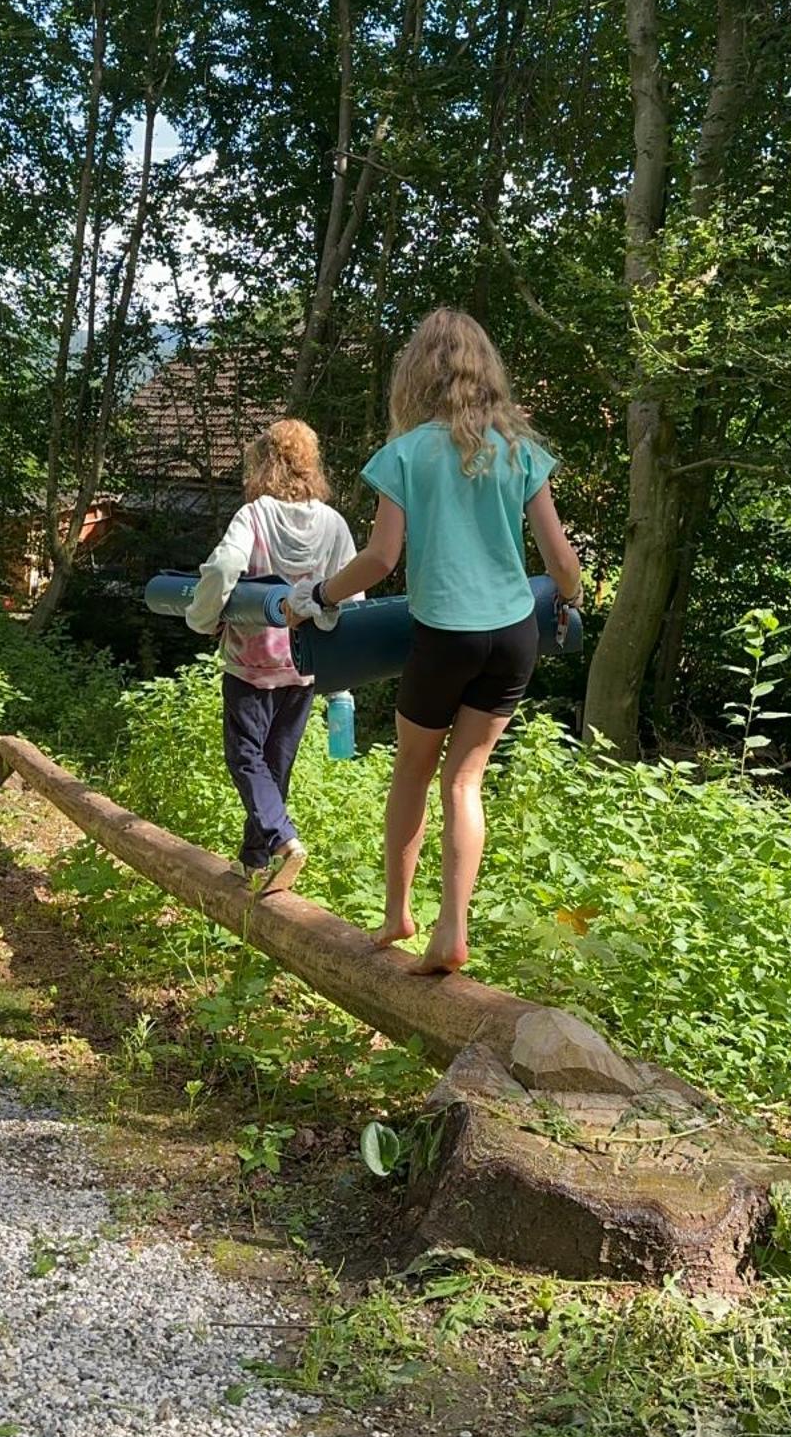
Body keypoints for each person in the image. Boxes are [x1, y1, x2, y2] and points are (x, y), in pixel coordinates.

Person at [288, 309, 581, 973]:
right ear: (486, 373)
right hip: (513, 635)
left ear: (417, 374)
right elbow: (560, 561)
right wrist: (572, 596)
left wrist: (315, 600)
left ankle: (396, 914)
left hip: (443, 636)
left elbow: (380, 559)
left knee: (412, 774)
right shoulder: (519, 451)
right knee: (465, 782)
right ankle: (452, 928)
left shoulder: (406, 453)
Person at [186, 419, 357, 893]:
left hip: (251, 664)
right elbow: (354, 595)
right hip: (304, 666)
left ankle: (281, 839)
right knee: (274, 766)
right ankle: (254, 861)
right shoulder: (332, 523)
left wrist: (202, 620)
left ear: (264, 463)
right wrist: (340, 674)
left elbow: (222, 568)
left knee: (245, 758)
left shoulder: (256, 514)